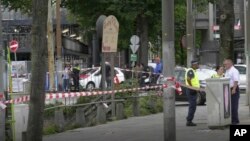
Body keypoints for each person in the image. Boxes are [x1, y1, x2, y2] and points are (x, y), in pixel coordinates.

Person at [223, 58, 240, 125]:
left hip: (234, 89)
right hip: (228, 89)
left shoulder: (234, 70)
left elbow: (236, 80)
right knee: (229, 105)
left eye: (225, 64)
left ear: (230, 64)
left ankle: (234, 121)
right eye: (224, 64)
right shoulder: (228, 70)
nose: (224, 66)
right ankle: (234, 119)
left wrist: (234, 89)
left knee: (234, 105)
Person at [185, 60, 200, 126]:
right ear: (194, 65)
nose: (198, 65)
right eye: (197, 64)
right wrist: (192, 88)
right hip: (191, 90)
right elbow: (188, 79)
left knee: (193, 106)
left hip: (193, 90)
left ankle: (189, 118)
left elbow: (194, 81)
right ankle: (189, 121)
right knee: (192, 106)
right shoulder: (190, 71)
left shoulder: (194, 71)